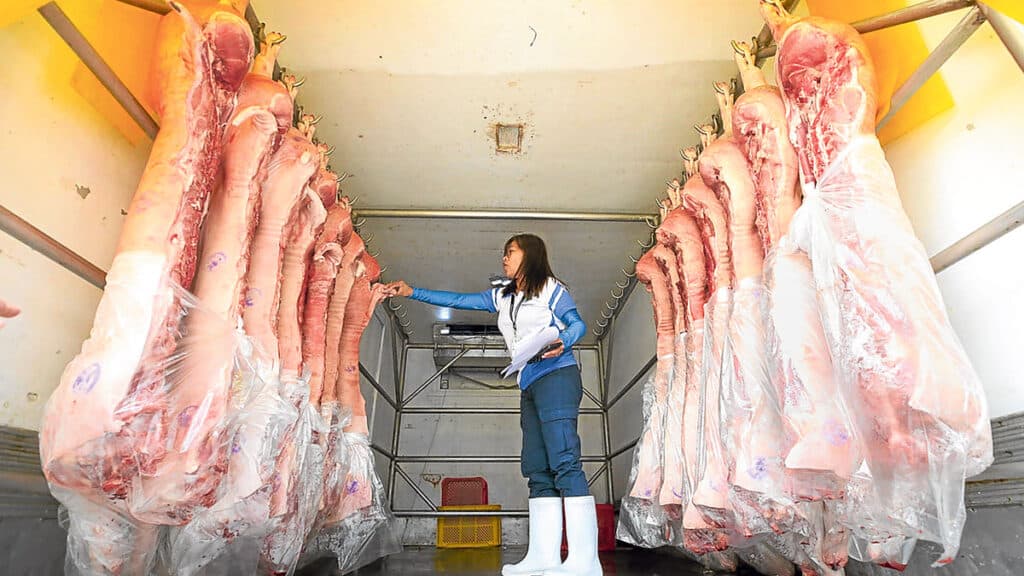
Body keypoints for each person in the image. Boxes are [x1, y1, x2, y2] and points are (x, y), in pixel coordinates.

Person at [386, 233, 602, 576]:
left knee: (564, 460)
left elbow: (578, 324)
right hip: (529, 381)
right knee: (536, 467)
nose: (504, 258)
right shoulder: (503, 296)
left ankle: (584, 562)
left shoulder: (551, 288)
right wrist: (413, 291)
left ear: (530, 255)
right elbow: (458, 299)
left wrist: (564, 340)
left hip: (558, 375)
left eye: (510, 252)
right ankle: (544, 557)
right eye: (504, 253)